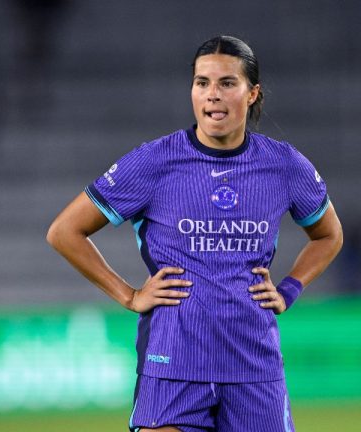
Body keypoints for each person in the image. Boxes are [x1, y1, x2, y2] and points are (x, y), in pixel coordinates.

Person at [47, 35, 343, 432]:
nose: (212, 95)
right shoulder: (155, 161)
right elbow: (65, 231)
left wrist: (290, 288)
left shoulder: (284, 165)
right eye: (202, 83)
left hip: (253, 365)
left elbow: (329, 235)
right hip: (173, 362)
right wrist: (129, 295)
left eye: (226, 83)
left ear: (252, 93)